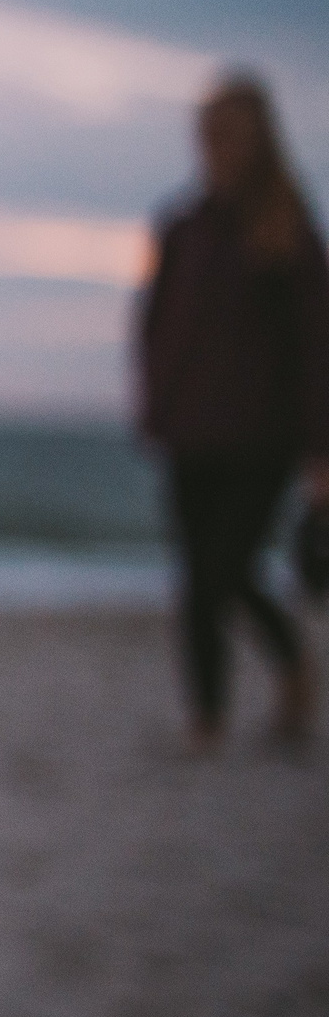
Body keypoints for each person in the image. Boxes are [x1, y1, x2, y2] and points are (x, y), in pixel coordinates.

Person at [137, 69, 324, 753]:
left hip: (262, 435)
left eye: (225, 134)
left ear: (256, 139)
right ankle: (207, 720)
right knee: (198, 579)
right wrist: (155, 405)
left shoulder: (285, 232)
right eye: (207, 133)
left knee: (228, 569)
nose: (213, 146)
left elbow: (314, 345)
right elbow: (155, 327)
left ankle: (290, 663)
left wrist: (320, 448)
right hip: (191, 430)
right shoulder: (184, 227)